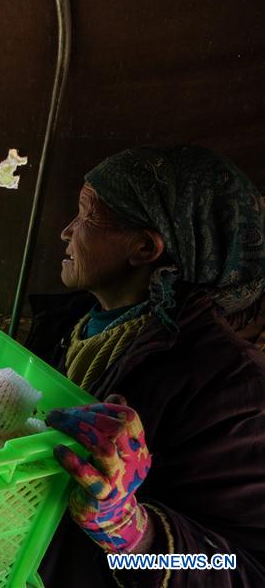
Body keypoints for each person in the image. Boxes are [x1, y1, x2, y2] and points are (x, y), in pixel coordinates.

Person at [29, 145, 265, 586]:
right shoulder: (70, 321)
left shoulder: (233, 387)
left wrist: (134, 533)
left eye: (84, 216)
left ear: (144, 247)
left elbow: (245, 571)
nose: (66, 231)